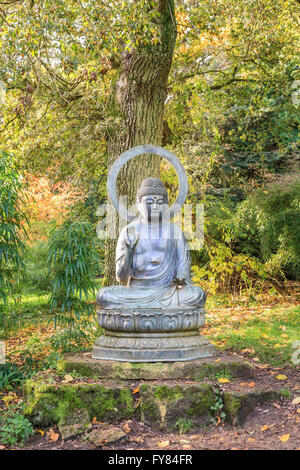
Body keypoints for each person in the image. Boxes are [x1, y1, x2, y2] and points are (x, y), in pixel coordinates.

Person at [97, 177, 206, 309]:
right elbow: (121, 278)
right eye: (149, 202)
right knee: (104, 295)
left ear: (166, 204)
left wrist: (181, 277)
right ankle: (157, 309)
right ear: (138, 203)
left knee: (197, 295)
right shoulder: (129, 232)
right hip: (136, 291)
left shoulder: (175, 231)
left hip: (167, 291)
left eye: (160, 202)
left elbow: (183, 266)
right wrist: (129, 253)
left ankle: (146, 309)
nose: (155, 206)